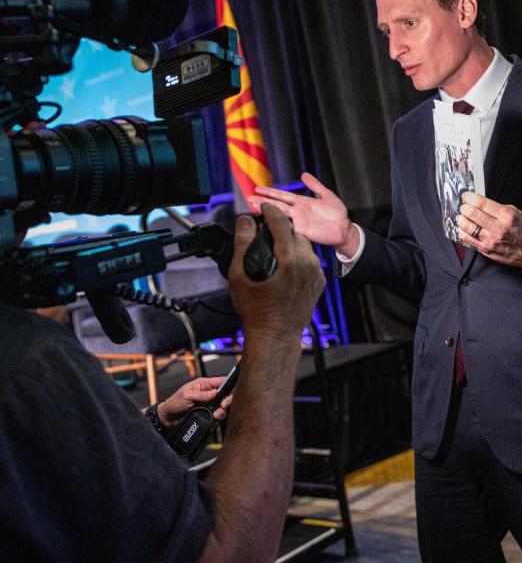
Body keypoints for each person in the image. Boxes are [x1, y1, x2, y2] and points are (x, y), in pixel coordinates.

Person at [250, 0, 522, 562]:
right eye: (384, 30)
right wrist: (349, 238)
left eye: (408, 23)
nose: (393, 47)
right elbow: (420, 265)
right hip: (442, 423)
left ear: (464, 9)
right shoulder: (409, 134)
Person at [0, 203, 325, 561]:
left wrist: (151, 423)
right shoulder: (27, 359)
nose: (43, 212)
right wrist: (276, 329)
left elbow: (45, 462)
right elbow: (231, 554)